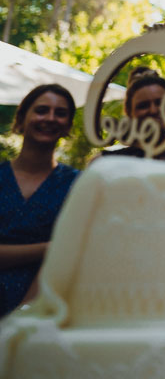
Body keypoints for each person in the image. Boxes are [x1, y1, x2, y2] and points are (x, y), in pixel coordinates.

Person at [0, 84, 80, 317]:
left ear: (68, 126)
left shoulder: (77, 184)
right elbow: (63, 249)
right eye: (42, 110)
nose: (50, 118)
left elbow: (73, 257)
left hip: (44, 306)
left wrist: (23, 314)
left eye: (60, 113)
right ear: (22, 119)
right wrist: (50, 248)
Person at [97, 68, 165, 162]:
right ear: (129, 113)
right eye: (143, 106)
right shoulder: (104, 162)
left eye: (161, 103)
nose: (153, 110)